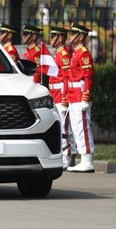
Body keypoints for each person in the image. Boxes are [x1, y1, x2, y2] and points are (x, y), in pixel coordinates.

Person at [66, 23, 96, 173]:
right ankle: (83, 159)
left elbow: (88, 76)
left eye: (73, 33)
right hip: (73, 94)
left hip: (79, 94)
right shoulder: (76, 52)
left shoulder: (83, 53)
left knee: (82, 127)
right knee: (77, 128)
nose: (70, 35)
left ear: (81, 36)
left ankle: (88, 160)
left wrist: (86, 96)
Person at [48, 26, 72, 168]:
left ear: (60, 38)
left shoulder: (63, 55)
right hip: (55, 94)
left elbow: (66, 78)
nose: (51, 39)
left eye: (53, 36)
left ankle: (67, 157)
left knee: (64, 128)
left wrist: (64, 97)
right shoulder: (58, 54)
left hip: (60, 94)